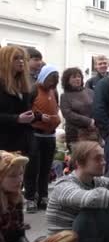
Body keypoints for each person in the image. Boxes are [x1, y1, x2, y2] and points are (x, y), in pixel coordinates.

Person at [0, 151, 77, 242]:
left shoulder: (16, 198)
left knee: (69, 237)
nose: (19, 180)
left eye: (20, 174)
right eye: (12, 176)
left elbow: (19, 235)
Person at [25, 64, 61, 213]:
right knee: (32, 168)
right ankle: (30, 198)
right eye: (51, 79)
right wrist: (39, 117)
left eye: (55, 79)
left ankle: (43, 197)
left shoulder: (54, 91)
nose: (53, 82)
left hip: (50, 135)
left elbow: (56, 107)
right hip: (35, 134)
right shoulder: (33, 90)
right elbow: (27, 109)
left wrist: (55, 119)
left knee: (46, 168)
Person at [0, 46, 35, 156]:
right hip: (4, 144)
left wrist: (34, 116)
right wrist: (17, 118)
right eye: (16, 58)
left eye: (22, 58)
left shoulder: (22, 85)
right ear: (5, 61)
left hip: (23, 142)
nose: (21, 61)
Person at [59, 67, 98, 149]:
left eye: (79, 76)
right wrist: (88, 121)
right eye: (74, 77)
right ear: (67, 80)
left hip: (93, 131)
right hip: (75, 133)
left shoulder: (90, 92)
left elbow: (97, 107)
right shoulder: (65, 96)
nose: (77, 79)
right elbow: (68, 114)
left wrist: (95, 121)